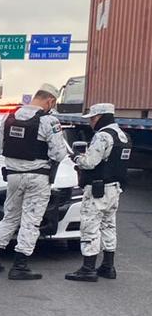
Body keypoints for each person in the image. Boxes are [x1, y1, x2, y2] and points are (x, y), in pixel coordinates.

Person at [0, 83, 71, 280]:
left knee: (10, 216)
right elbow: (59, 152)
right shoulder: (49, 121)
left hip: (13, 175)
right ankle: (20, 265)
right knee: (31, 221)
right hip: (37, 177)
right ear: (50, 101)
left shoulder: (9, 116)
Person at [65, 103, 130, 282]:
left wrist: (76, 157)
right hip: (114, 189)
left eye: (93, 118)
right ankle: (108, 266)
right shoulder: (123, 135)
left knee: (90, 227)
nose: (91, 122)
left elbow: (90, 162)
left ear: (100, 117)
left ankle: (88, 268)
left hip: (97, 189)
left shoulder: (102, 136)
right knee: (109, 226)